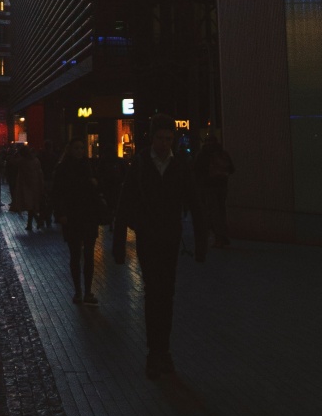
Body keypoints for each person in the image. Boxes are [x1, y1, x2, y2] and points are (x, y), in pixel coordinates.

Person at [113, 115, 192, 377]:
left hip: (169, 238)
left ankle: (161, 350)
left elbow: (194, 199)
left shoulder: (179, 164)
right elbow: (125, 202)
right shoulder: (141, 163)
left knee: (165, 293)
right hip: (149, 237)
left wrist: (201, 239)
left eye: (168, 139)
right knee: (154, 291)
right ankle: (156, 351)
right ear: (152, 137)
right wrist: (120, 243)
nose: (164, 143)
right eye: (160, 138)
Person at [51, 133, 105, 304]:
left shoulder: (87, 166)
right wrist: (61, 214)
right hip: (73, 215)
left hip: (87, 214)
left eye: (82, 148)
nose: (80, 151)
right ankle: (79, 291)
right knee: (76, 255)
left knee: (88, 254)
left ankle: (86, 291)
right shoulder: (65, 169)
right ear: (70, 149)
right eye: (76, 148)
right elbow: (57, 193)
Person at [194, 127, 234, 248]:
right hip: (222, 186)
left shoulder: (203, 154)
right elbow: (232, 169)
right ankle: (223, 235)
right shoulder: (223, 153)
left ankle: (217, 237)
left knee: (212, 212)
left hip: (208, 187)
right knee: (221, 211)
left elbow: (196, 170)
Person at [23, 148, 46, 235]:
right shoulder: (36, 161)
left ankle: (34, 221)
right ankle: (35, 221)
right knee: (32, 205)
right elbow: (40, 173)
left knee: (30, 206)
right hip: (36, 185)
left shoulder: (26, 162)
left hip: (29, 185)